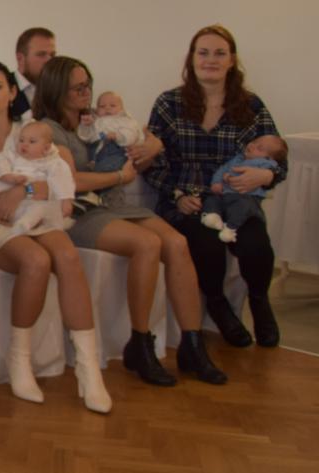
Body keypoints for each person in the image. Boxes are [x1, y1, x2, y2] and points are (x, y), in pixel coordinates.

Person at [34, 56, 226, 385]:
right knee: (147, 244)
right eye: (77, 87)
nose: (86, 92)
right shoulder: (49, 130)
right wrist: (119, 176)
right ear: (56, 90)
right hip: (79, 211)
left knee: (177, 243)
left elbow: (143, 143)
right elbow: (70, 181)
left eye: (87, 85)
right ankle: (140, 341)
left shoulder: (99, 118)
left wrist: (150, 146)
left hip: (114, 204)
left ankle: (192, 343)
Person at [0, 60, 111, 414]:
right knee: (36, 261)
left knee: (67, 256)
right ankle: (19, 361)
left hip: (38, 215)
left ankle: (88, 368)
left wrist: (23, 191)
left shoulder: (33, 131)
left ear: (11, 92)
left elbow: (60, 177)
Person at [145, 24, 287, 348]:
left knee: (256, 243)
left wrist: (267, 176)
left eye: (219, 53)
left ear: (231, 60)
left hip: (236, 198)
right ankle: (218, 304)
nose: (211, 60)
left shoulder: (251, 106)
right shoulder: (169, 103)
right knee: (206, 244)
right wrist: (177, 196)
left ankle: (260, 303)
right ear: (192, 58)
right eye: (203, 53)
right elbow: (152, 162)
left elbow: (279, 158)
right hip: (188, 198)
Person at [0, 119, 74, 243]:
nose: (24, 145)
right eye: (21, 140)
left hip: (32, 202)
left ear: (46, 147)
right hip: (7, 202)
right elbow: (1, 160)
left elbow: (63, 180)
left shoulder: (52, 163)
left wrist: (66, 200)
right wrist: (7, 176)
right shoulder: (14, 156)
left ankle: (23, 225)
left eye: (32, 142)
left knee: (40, 208)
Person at [200, 135, 288, 243]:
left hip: (246, 197)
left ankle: (230, 228)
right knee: (211, 199)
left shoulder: (266, 164)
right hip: (225, 194)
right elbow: (223, 169)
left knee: (242, 208)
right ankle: (212, 216)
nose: (251, 145)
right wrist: (216, 182)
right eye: (254, 141)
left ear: (268, 158)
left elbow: (278, 172)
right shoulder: (238, 158)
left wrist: (229, 177)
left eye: (259, 148)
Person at [77, 90, 145, 174]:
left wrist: (117, 136)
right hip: (96, 153)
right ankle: (97, 170)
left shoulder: (125, 120)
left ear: (122, 109)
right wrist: (85, 126)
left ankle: (104, 172)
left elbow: (131, 135)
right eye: (102, 106)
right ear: (97, 109)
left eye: (112, 105)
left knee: (111, 162)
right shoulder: (96, 121)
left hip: (117, 150)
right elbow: (86, 137)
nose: (107, 108)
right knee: (92, 149)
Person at [13, 27, 56, 116]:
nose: (49, 60)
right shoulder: (2, 88)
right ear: (20, 58)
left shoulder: (56, 91)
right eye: (41, 54)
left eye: (52, 55)